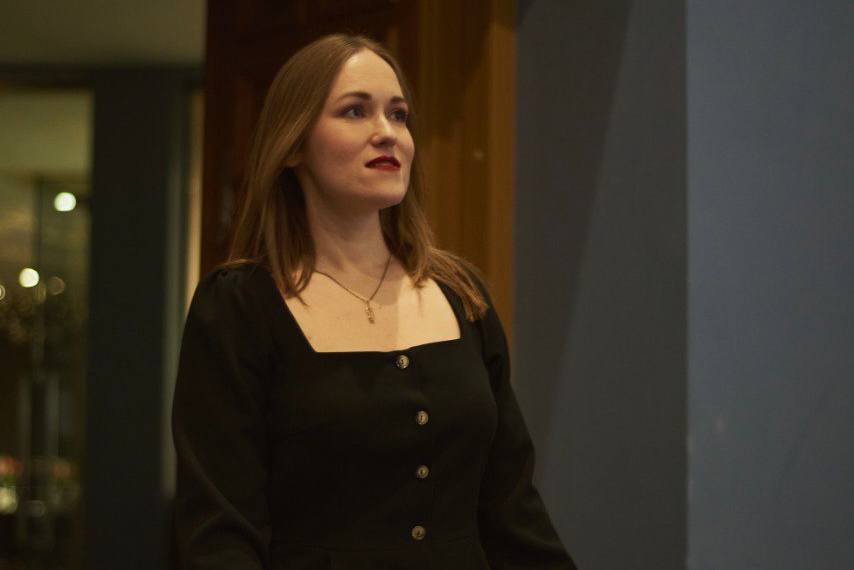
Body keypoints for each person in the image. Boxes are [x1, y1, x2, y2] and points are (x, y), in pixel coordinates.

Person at [171, 33, 576, 569]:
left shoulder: (462, 297)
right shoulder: (238, 307)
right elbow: (219, 532)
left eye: (399, 114)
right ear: (293, 145)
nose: (387, 133)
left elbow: (513, 510)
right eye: (355, 111)